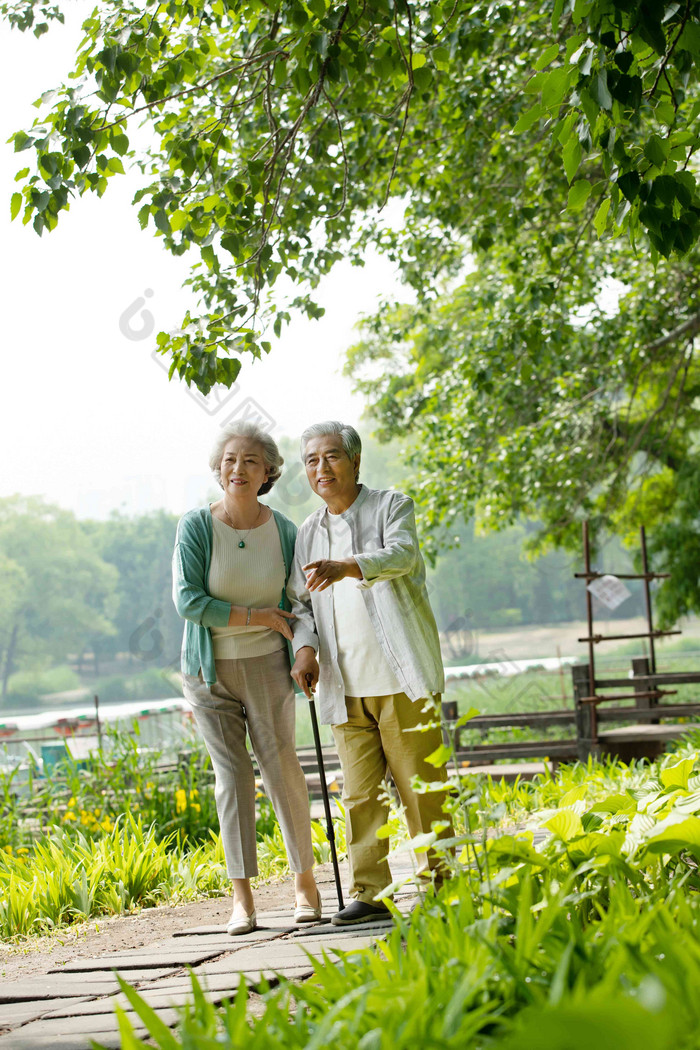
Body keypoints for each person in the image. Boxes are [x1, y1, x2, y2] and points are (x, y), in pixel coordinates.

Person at [288, 421, 451, 926]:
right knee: (359, 795)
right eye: (312, 460)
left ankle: (440, 883)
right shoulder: (308, 532)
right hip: (343, 686)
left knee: (421, 789)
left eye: (332, 456)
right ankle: (370, 892)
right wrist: (306, 650)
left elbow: (401, 555)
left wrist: (349, 566)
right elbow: (301, 608)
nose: (322, 468)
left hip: (401, 679)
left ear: (356, 461)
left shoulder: (391, 506)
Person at [172, 421, 320, 935]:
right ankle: (243, 900)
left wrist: (304, 651)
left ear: (268, 473)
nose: (238, 468)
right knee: (232, 780)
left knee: (282, 769)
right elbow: (188, 601)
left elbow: (301, 605)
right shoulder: (195, 527)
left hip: (268, 666)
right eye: (230, 459)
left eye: (251, 461)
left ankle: (305, 884)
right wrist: (259, 616)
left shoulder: (284, 532)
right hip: (207, 669)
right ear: (219, 468)